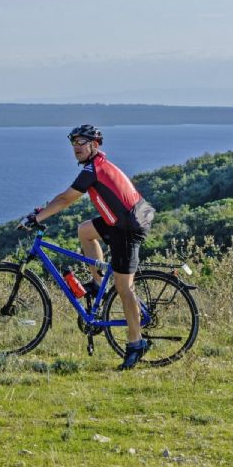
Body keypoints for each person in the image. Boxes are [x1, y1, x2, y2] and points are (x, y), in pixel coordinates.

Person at [18, 124, 155, 370]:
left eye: (82, 142)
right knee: (85, 231)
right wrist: (43, 211)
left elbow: (65, 199)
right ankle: (96, 281)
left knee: (124, 288)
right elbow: (63, 198)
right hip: (124, 218)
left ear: (95, 144)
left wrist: (37, 219)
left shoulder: (93, 170)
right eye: (73, 143)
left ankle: (136, 344)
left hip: (127, 226)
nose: (76, 147)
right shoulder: (98, 166)